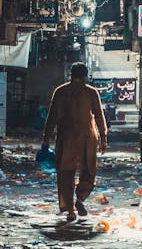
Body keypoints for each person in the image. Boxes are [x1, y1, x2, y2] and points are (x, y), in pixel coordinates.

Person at [41, 61, 108, 222]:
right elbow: (99, 116)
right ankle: (80, 199)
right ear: (85, 76)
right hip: (87, 137)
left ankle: (70, 210)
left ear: (70, 75)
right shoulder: (91, 92)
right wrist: (103, 138)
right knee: (89, 171)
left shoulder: (60, 92)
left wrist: (46, 139)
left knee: (65, 173)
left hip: (66, 137)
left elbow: (51, 118)